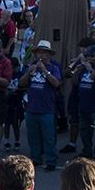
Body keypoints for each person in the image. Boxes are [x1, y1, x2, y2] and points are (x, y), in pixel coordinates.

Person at [19, 40, 64, 171]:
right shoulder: (31, 66)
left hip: (47, 109)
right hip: (32, 108)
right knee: (33, 136)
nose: (41, 55)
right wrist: (28, 73)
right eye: (39, 52)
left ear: (49, 55)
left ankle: (51, 161)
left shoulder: (53, 68)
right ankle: (36, 158)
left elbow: (57, 84)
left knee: (48, 137)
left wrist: (45, 71)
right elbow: (21, 84)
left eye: (44, 52)